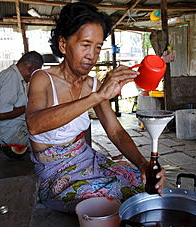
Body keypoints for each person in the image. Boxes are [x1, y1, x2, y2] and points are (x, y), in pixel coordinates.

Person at [26, 2, 166, 213]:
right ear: (63, 45)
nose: (92, 55)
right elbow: (35, 125)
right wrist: (98, 96)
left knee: (145, 185)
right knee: (112, 200)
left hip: (86, 159)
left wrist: (142, 164)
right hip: (55, 172)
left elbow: (116, 132)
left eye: (98, 46)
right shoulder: (43, 79)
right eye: (85, 44)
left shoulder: (92, 84)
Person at [0, 51, 43, 146]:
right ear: (32, 68)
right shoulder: (11, 76)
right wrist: (28, 108)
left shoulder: (16, 76)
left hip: (18, 130)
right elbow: (2, 114)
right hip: (12, 135)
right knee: (52, 143)